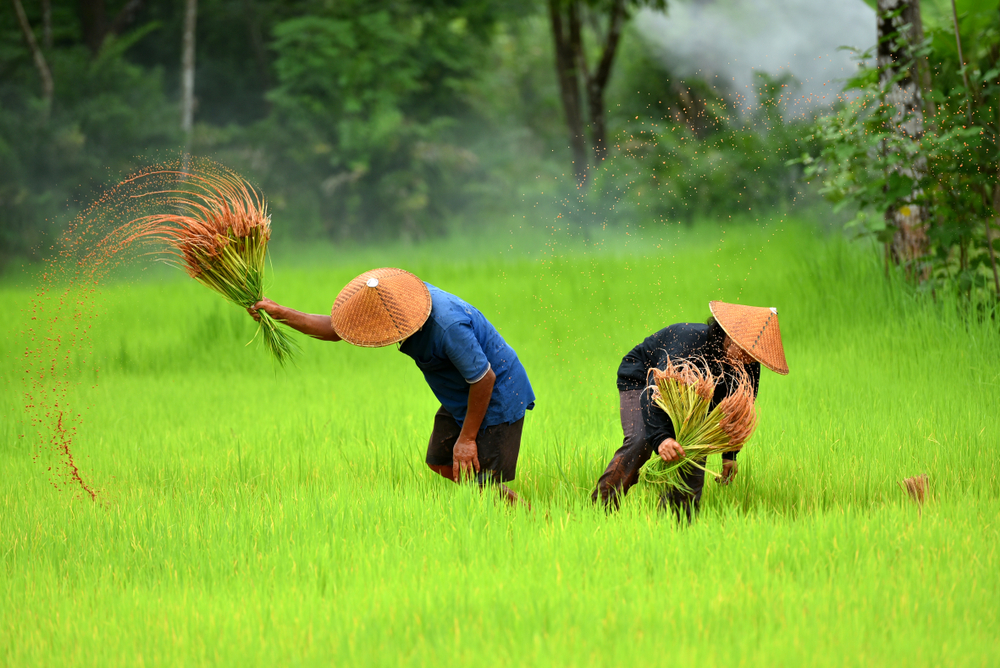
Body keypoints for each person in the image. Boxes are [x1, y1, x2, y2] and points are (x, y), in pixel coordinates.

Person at [250, 267, 535, 505]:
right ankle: (486, 510)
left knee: (484, 479)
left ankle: (530, 521)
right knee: (442, 462)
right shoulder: (392, 300)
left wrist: (468, 438)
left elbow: (484, 378)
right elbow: (336, 330)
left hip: (495, 392)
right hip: (459, 392)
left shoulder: (448, 326)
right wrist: (278, 312)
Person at [591, 301, 789, 520]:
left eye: (753, 355)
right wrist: (662, 438)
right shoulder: (689, 344)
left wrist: (730, 454)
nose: (745, 358)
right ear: (728, 333)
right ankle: (601, 508)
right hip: (643, 379)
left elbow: (735, 410)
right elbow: (654, 388)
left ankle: (675, 526)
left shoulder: (748, 363)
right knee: (641, 441)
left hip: (694, 397)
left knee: (692, 453)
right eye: (741, 348)